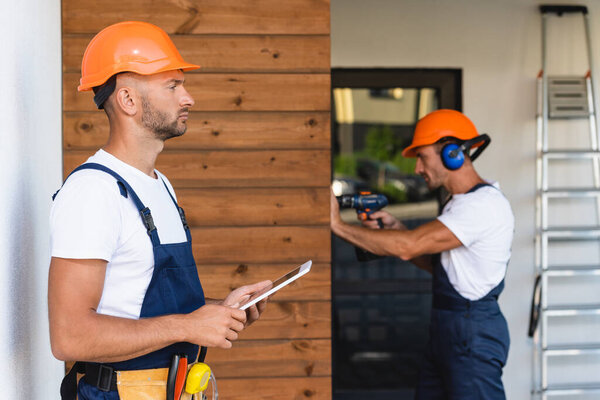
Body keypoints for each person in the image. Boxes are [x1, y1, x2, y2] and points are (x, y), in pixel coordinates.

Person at [48, 21, 270, 400]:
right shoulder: (93, 191)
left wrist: (219, 312)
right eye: (173, 86)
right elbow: (70, 337)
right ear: (128, 100)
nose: (188, 98)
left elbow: (138, 305)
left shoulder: (159, 185)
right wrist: (186, 326)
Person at [330, 109, 514, 399]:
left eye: (422, 156)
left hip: (471, 335)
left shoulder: (482, 206)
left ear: (452, 153)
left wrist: (337, 225)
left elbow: (408, 247)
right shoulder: (461, 204)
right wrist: (396, 227)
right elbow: (437, 265)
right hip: (449, 332)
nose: (417, 168)